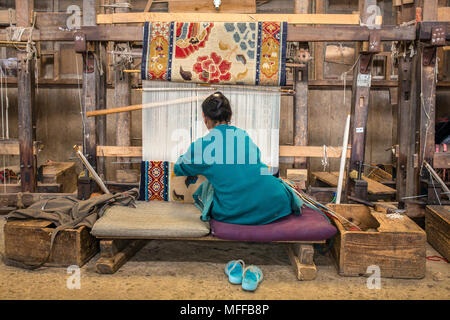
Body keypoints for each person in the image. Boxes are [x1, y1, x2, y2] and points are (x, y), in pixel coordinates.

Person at [173, 92, 297, 225]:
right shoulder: (243, 136)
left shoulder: (202, 145)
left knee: (207, 187)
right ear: (229, 116)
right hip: (275, 203)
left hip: (234, 211)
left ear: (205, 118)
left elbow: (179, 168)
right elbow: (255, 159)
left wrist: (184, 156)